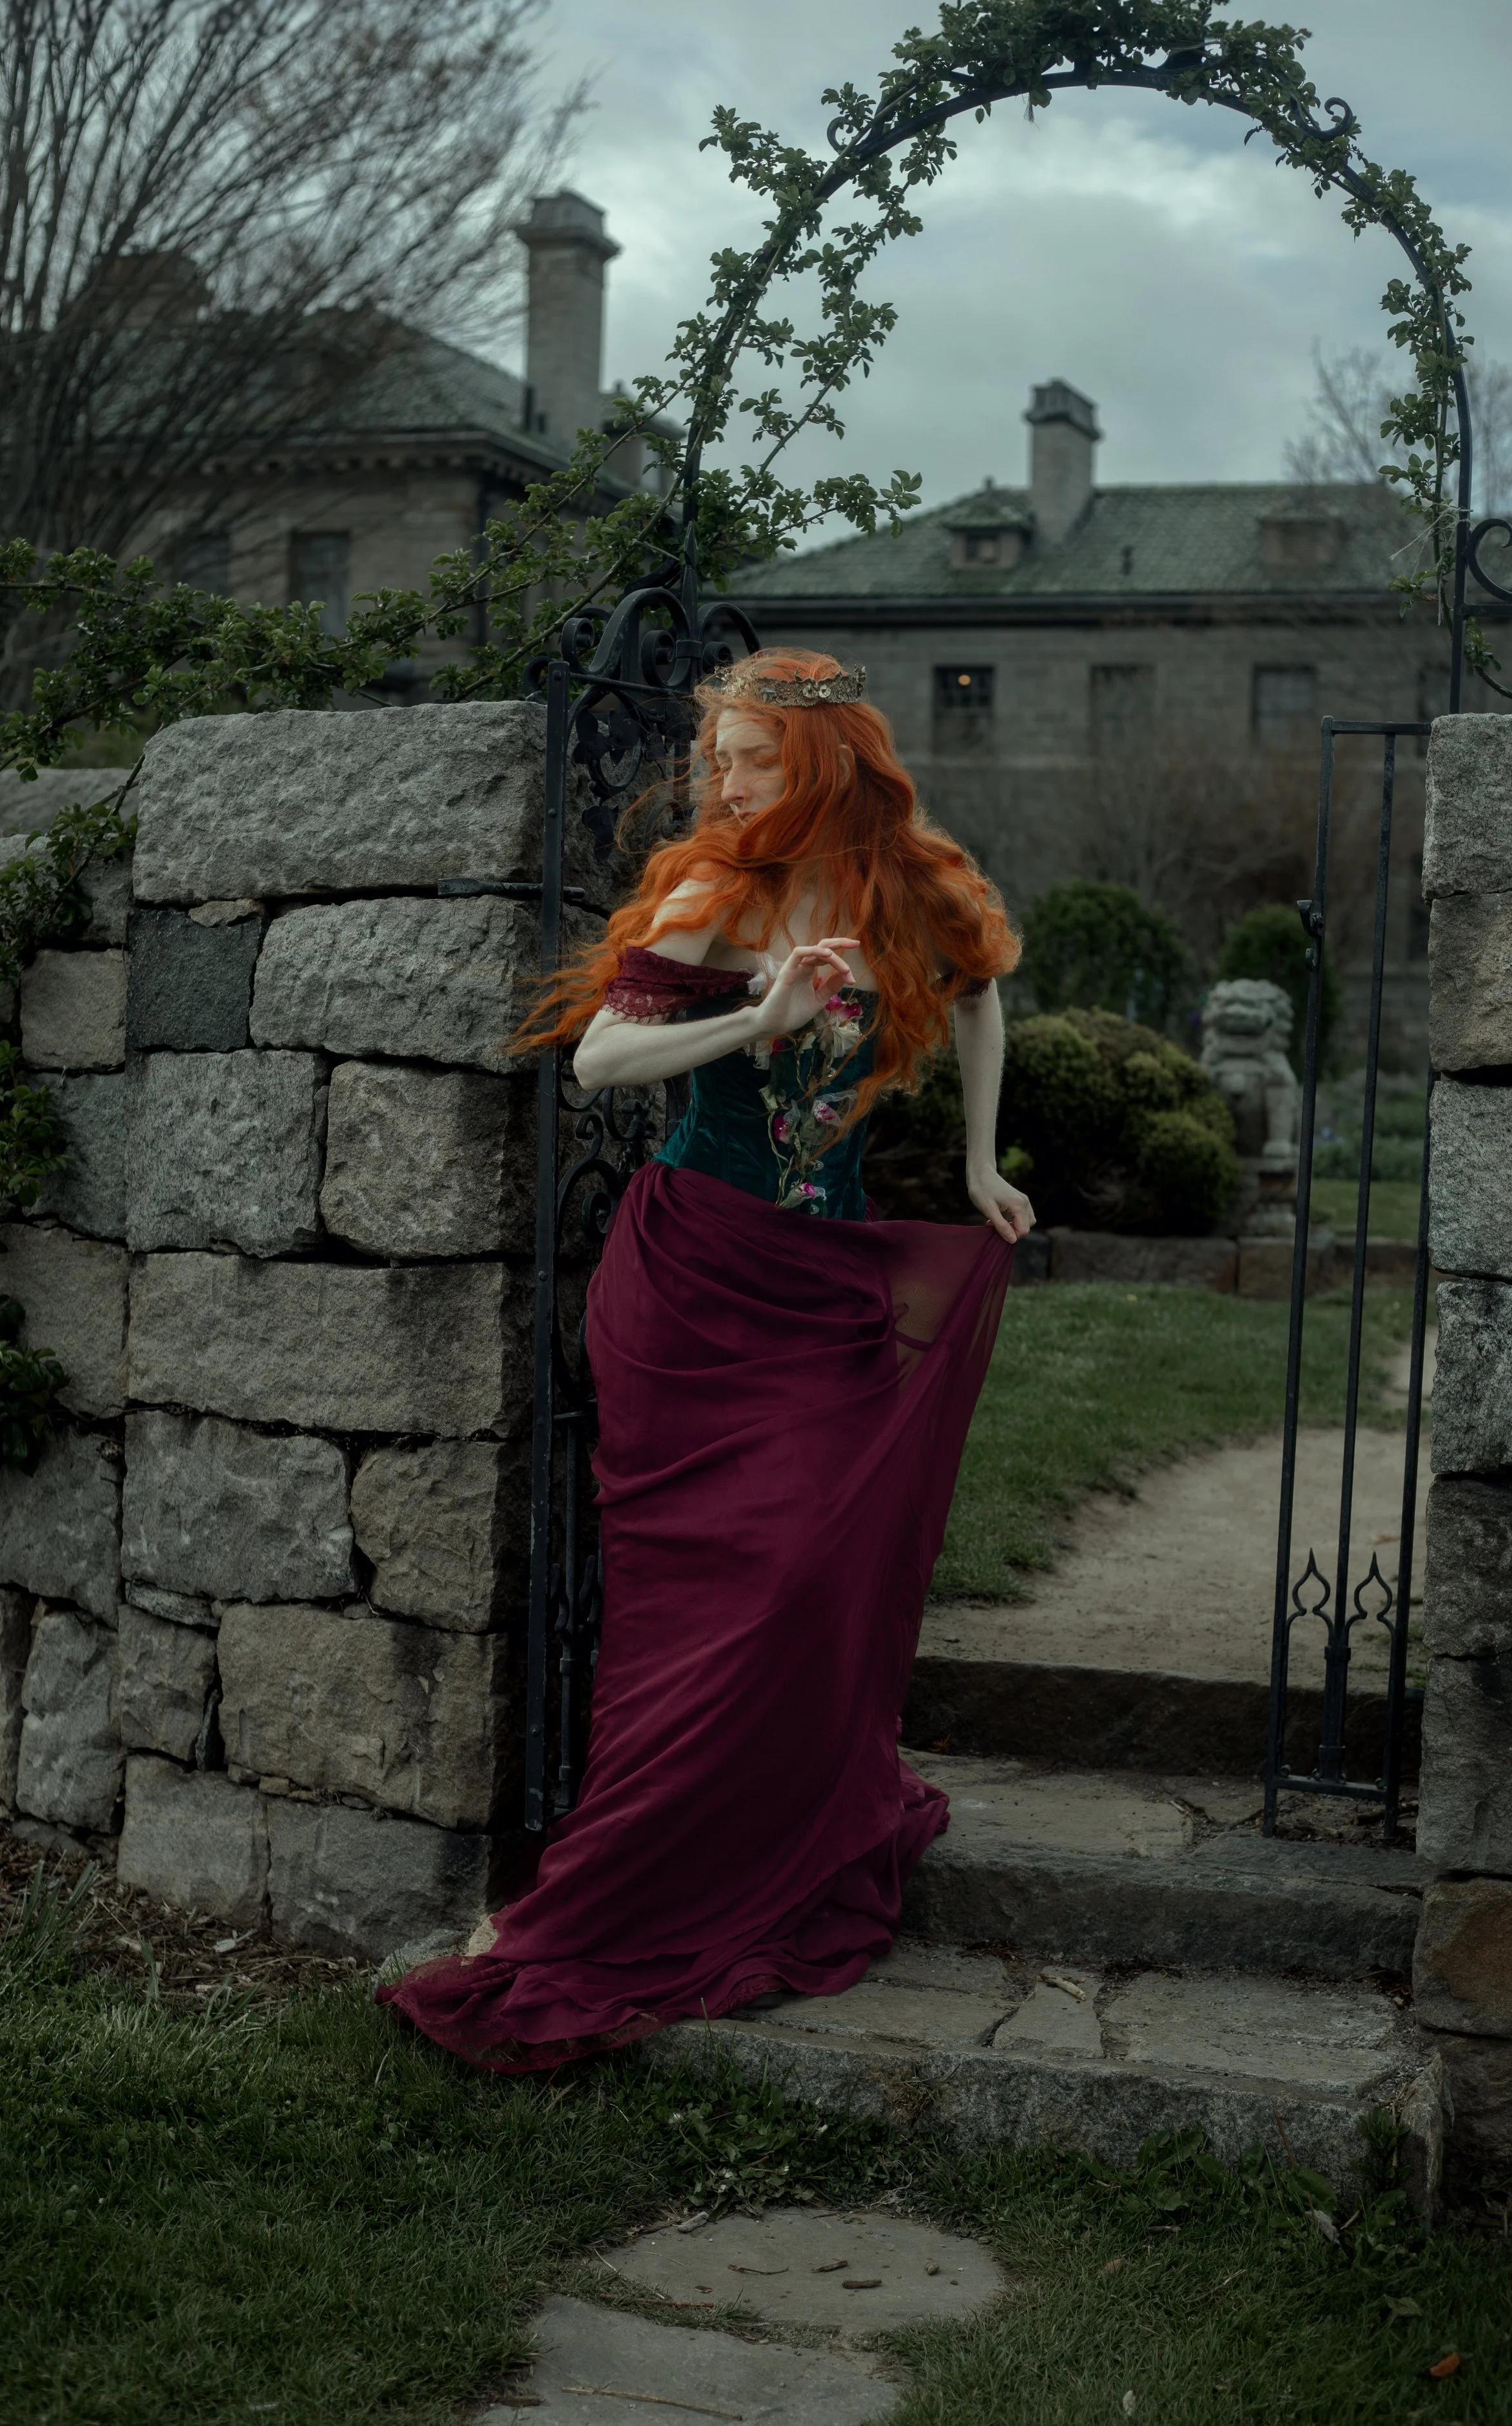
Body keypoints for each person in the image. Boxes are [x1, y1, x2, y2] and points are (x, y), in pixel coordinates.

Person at [378, 648, 1032, 2072]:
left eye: (745, 757)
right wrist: (760, 1019)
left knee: (812, 1573)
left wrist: (980, 1161)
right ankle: (614, 1892)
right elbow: (601, 1062)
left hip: (827, 1279)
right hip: (693, 1283)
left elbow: (977, 991)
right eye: (715, 757)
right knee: (702, 1599)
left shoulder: (911, 883)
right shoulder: (711, 891)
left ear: (822, 759)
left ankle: (774, 1834)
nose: (719, 782)